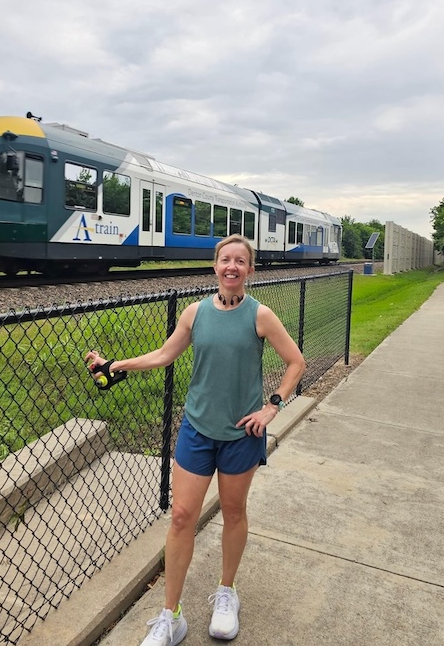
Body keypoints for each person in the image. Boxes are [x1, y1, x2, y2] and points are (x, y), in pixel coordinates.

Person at [85, 234, 305, 645]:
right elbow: (163, 355)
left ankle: (227, 593)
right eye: (226, 260)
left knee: (234, 513)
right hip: (197, 431)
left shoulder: (261, 316)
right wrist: (115, 364)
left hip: (241, 434)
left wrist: (272, 406)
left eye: (241, 261)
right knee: (182, 517)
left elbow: (295, 361)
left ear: (250, 270)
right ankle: (171, 616)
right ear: (215, 266)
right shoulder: (195, 313)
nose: (232, 267)